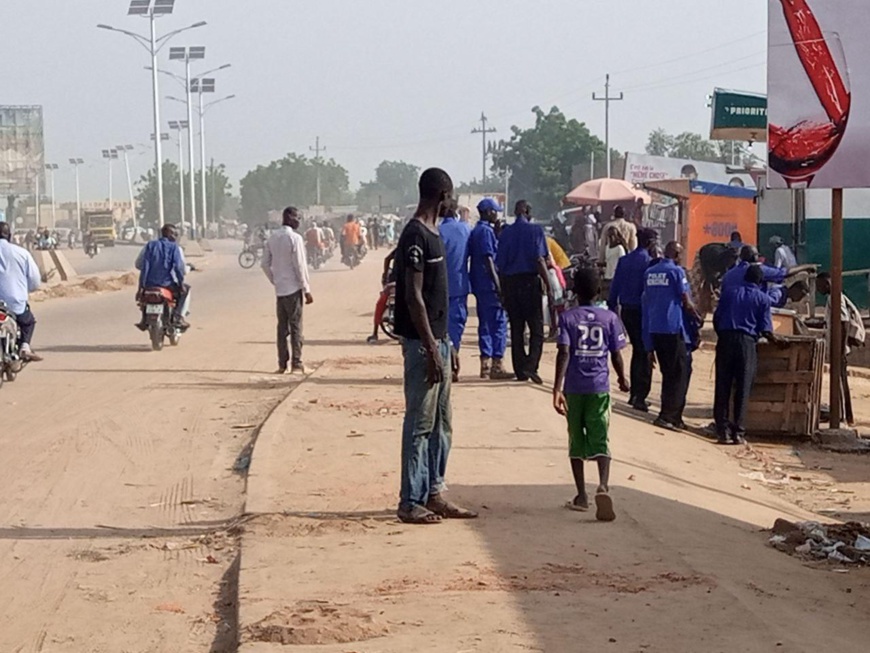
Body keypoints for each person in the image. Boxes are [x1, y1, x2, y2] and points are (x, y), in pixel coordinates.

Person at [394, 167, 476, 525]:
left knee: (442, 424)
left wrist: (448, 345)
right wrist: (430, 347)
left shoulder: (435, 234)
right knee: (420, 424)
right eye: (450, 196)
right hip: (421, 345)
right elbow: (413, 296)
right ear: (442, 195)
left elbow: (435, 298)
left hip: (440, 341)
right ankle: (410, 499)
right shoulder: (415, 236)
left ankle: (434, 491)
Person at [553, 267, 628, 521]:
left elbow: (563, 352)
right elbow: (616, 353)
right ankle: (603, 485)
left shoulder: (567, 318)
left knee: (576, 440)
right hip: (599, 388)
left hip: (574, 388)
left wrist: (556, 388)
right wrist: (622, 377)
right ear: (598, 291)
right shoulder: (609, 318)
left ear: (574, 291)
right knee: (601, 437)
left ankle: (581, 496)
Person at [713, 264, 777, 444]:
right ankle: (738, 432)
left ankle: (722, 430)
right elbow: (766, 330)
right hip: (746, 343)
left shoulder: (729, 293)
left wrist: (723, 336)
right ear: (760, 281)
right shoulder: (763, 299)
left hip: (725, 340)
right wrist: (778, 341)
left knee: (723, 385)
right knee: (743, 387)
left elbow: (717, 318)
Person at [642, 241, 700, 430]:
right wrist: (697, 317)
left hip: (655, 328)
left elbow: (648, 301)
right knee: (679, 373)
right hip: (673, 328)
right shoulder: (676, 272)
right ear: (676, 254)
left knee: (668, 372)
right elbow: (685, 300)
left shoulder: (649, 273)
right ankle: (668, 416)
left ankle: (673, 416)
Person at [496, 200, 552, 385]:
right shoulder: (535, 231)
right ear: (527, 212)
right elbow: (540, 260)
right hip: (530, 282)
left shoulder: (506, 233)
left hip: (511, 284)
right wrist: (549, 285)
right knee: (536, 329)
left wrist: (502, 292)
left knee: (517, 328)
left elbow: (501, 267)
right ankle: (531, 364)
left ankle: (520, 370)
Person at [608, 228, 659, 412]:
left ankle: (634, 395)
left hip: (626, 311)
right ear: (650, 242)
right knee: (644, 352)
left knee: (638, 351)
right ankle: (640, 396)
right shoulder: (649, 263)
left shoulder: (625, 260)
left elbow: (614, 289)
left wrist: (614, 311)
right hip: (642, 312)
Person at [262, 207, 314, 374]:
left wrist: (274, 280)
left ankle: (282, 364)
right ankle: (297, 363)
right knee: (296, 326)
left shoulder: (273, 238)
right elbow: (299, 265)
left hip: (280, 290)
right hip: (293, 289)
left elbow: (264, 264)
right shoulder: (295, 238)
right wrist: (306, 289)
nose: (299, 221)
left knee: (282, 329)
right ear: (290, 218)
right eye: (297, 218)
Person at [469, 199, 513, 380]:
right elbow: (489, 261)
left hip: (479, 284)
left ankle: (485, 364)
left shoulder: (476, 231)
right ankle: (497, 363)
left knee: (485, 324)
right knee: (499, 324)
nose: (497, 215)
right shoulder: (486, 233)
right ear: (488, 212)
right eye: (495, 211)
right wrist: (499, 285)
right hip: (489, 285)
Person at [817, 272, 865, 426]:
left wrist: (841, 348)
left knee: (839, 381)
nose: (818, 289)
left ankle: (841, 415)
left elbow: (843, 322)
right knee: (841, 381)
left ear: (827, 283)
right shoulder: (836, 297)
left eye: (819, 285)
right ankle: (847, 415)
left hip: (839, 348)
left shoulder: (834, 298)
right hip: (839, 346)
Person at [135, 224, 190, 330]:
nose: (175, 237)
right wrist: (181, 283)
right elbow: (178, 267)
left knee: (144, 299)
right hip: (166, 284)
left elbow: (144, 267)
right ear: (169, 234)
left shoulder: (150, 245)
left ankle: (144, 319)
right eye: (174, 234)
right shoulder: (174, 247)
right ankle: (178, 317)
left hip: (149, 284)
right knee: (185, 291)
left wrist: (141, 287)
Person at [0, 222, 42, 362]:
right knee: (28, 322)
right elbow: (35, 280)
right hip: (15, 304)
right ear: (10, 235)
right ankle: (24, 347)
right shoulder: (22, 253)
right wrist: (24, 289)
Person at [438, 199, 472, 359]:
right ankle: (453, 355)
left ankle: (444, 357)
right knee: (457, 324)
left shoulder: (437, 231)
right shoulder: (465, 229)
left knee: (440, 325)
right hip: (459, 285)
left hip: (438, 286)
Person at [367, 248, 397, 344]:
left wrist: (385, 275)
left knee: (381, 304)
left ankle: (375, 333)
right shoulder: (402, 249)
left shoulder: (400, 248)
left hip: (398, 283)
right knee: (381, 304)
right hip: (400, 283)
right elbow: (387, 259)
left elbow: (387, 259)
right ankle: (375, 332)